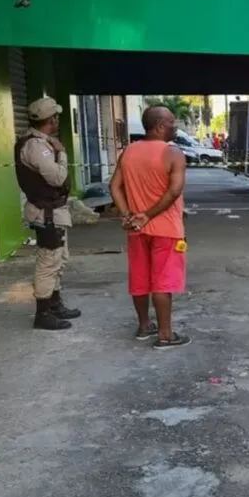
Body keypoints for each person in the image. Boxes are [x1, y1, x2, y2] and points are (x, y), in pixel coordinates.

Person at [109, 105, 190, 350]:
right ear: (160, 126)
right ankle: (165, 335)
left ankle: (144, 326)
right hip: (165, 229)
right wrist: (148, 215)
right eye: (172, 123)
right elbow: (174, 191)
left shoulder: (129, 151)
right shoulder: (173, 153)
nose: (176, 126)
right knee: (163, 282)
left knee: (140, 279)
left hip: (136, 229)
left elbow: (114, 186)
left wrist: (128, 215)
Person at [15, 97, 81, 330]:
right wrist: (61, 154)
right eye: (55, 117)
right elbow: (57, 177)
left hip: (52, 211)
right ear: (50, 119)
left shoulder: (41, 142)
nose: (57, 120)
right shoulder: (36, 146)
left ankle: (54, 304)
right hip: (46, 213)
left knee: (58, 258)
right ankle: (43, 313)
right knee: (48, 261)